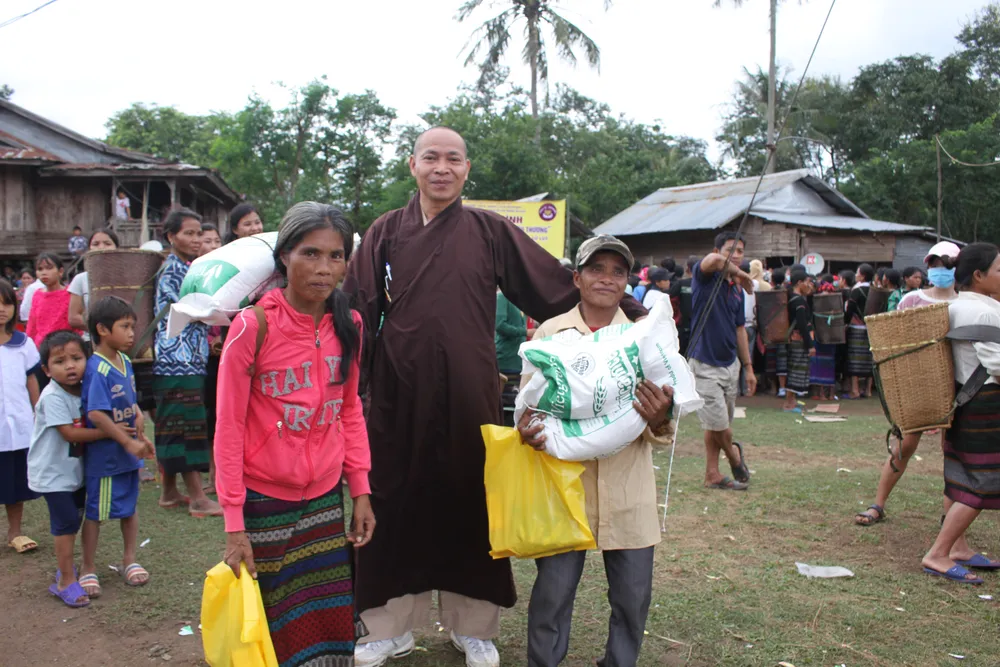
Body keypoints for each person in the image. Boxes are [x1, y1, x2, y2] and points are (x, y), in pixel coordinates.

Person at [345, 127, 647, 667]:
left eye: (453, 159)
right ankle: (389, 625)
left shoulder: (488, 229)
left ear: (466, 170)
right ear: (412, 165)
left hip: (469, 384)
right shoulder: (385, 231)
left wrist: (631, 312)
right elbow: (360, 308)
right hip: (399, 387)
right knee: (394, 497)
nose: (442, 168)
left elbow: (550, 284)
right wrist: (350, 380)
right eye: (431, 158)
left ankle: (474, 626)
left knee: (473, 497)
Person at [216, 202, 375, 666]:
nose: (324, 269)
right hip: (265, 501)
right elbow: (228, 427)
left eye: (335, 256)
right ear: (284, 255)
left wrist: (360, 489)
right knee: (273, 622)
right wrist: (233, 522)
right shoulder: (253, 326)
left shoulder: (350, 325)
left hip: (325, 496)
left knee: (327, 622)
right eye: (310, 253)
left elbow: (349, 411)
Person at [518, 236, 675, 667]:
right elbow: (527, 409)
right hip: (565, 493)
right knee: (552, 597)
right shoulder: (551, 333)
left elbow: (662, 427)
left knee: (632, 599)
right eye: (596, 269)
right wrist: (526, 431)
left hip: (629, 491)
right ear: (577, 277)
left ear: (627, 283)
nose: (607, 279)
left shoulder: (645, 339)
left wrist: (660, 416)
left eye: (617, 272)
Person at [855, 241, 962, 526]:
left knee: (953, 452)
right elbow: (895, 346)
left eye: (946, 265)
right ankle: (877, 504)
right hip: (918, 388)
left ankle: (948, 518)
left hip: (960, 388)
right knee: (904, 446)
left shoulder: (967, 302)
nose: (939, 270)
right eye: (934, 265)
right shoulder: (911, 301)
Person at [921, 242, 1000, 584]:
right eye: (999, 270)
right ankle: (938, 553)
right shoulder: (982, 312)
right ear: (979, 275)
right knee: (982, 483)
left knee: (960, 478)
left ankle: (958, 548)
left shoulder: (958, 305)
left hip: (964, 401)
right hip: (984, 402)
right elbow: (997, 365)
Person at [78, 296, 153, 597]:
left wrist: (138, 424)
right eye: (125, 326)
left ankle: (129, 560)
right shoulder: (97, 368)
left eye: (133, 326)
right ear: (102, 329)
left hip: (128, 452)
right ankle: (87, 567)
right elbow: (95, 413)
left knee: (129, 508)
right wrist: (124, 440)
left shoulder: (123, 360)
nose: (132, 333)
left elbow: (130, 399)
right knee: (96, 513)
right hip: (107, 456)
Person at [27, 331, 108, 607]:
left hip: (74, 474)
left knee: (73, 521)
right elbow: (70, 434)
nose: (70, 366)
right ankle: (64, 581)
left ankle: (66, 569)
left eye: (76, 358)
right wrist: (110, 432)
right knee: (65, 525)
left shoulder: (87, 389)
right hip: (53, 476)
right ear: (46, 370)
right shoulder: (52, 397)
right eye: (60, 361)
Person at [152, 208, 221, 517]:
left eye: (198, 234)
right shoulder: (174, 270)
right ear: (171, 236)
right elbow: (179, 308)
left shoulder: (188, 267)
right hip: (178, 358)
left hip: (186, 358)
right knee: (188, 427)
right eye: (189, 234)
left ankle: (168, 493)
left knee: (173, 424)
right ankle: (198, 498)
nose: (195, 239)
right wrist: (215, 310)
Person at [689, 232, 754, 492]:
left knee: (717, 425)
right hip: (704, 363)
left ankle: (712, 474)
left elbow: (740, 329)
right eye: (730, 249)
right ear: (718, 249)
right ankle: (735, 457)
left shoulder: (736, 290)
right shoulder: (705, 278)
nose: (735, 255)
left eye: (739, 251)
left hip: (730, 364)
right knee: (718, 425)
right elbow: (713, 261)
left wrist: (748, 367)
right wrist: (744, 274)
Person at [0, 279, 41, 554]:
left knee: (14, 481)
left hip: (17, 423)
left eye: (6, 303)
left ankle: (15, 531)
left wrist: (39, 413)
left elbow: (31, 382)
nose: (2, 309)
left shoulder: (23, 343)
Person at [68, 230, 120, 351]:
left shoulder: (126, 278)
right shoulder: (80, 279)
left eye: (107, 243)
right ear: (89, 249)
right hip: (92, 343)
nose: (101, 247)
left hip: (124, 342)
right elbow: (73, 318)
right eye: (95, 244)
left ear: (117, 248)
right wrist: (103, 329)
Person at [26, 253, 74, 348]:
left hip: (66, 346)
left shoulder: (70, 293)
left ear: (60, 271)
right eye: (40, 269)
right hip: (41, 348)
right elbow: (32, 325)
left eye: (49, 268)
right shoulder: (37, 294)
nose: (44, 273)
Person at [783, 270, 815, 411]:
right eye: (807, 282)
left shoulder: (793, 298)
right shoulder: (799, 301)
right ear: (799, 283)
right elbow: (802, 324)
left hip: (793, 340)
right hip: (799, 340)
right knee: (796, 370)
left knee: (794, 369)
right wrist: (810, 345)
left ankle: (792, 401)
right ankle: (789, 403)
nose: (809, 285)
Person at [845, 263, 875, 399]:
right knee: (870, 358)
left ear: (862, 276)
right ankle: (868, 390)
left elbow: (850, 309)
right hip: (872, 327)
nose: (856, 275)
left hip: (857, 328)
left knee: (855, 358)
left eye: (857, 272)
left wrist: (846, 322)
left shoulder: (856, 291)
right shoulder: (875, 290)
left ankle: (855, 390)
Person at [809, 278, 839, 401]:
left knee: (829, 365)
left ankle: (830, 393)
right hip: (819, 338)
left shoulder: (836, 309)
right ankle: (820, 393)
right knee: (818, 365)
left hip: (831, 340)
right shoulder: (816, 306)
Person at [764, 267, 788, 397]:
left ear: (771, 280)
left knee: (771, 360)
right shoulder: (787, 294)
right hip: (784, 331)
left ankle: (774, 388)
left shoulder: (768, 294)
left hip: (771, 331)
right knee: (783, 360)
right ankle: (783, 387)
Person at [495, 290, 526, 376]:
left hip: (519, 361)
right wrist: (525, 332)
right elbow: (499, 325)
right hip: (506, 361)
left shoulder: (519, 299)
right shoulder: (502, 296)